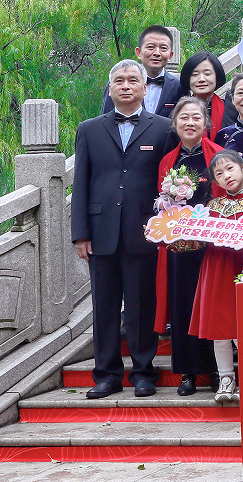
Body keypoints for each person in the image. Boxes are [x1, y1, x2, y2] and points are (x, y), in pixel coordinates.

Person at [75, 60, 176, 398]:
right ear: (110, 88)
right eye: (119, 80)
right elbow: (81, 182)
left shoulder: (163, 128)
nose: (126, 85)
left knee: (141, 305)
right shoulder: (89, 129)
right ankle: (106, 375)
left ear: (145, 88)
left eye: (133, 80)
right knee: (104, 306)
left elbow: (169, 182)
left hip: (145, 231)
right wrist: (80, 233)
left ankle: (144, 372)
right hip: (100, 231)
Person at [157, 96, 222, 396]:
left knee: (212, 305)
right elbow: (161, 204)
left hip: (212, 245)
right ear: (175, 124)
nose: (190, 122)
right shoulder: (168, 161)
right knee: (182, 306)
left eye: (197, 117)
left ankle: (219, 370)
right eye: (184, 117)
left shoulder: (219, 155)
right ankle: (188, 373)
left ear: (206, 122)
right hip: (180, 247)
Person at [187, 150, 243, 404]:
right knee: (220, 328)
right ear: (215, 181)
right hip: (217, 267)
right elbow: (197, 240)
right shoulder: (213, 207)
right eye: (219, 173)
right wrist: (169, 237)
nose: (226, 176)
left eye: (230, 169)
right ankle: (226, 378)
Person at [102, 26, 181, 117]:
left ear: (170, 55)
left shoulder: (178, 86)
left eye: (163, 48)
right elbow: (106, 119)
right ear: (138, 52)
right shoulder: (118, 84)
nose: (157, 53)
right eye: (150, 47)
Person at [175, 51, 227, 135]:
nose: (201, 79)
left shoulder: (228, 109)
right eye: (195, 74)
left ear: (217, 77)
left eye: (207, 74)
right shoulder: (179, 111)